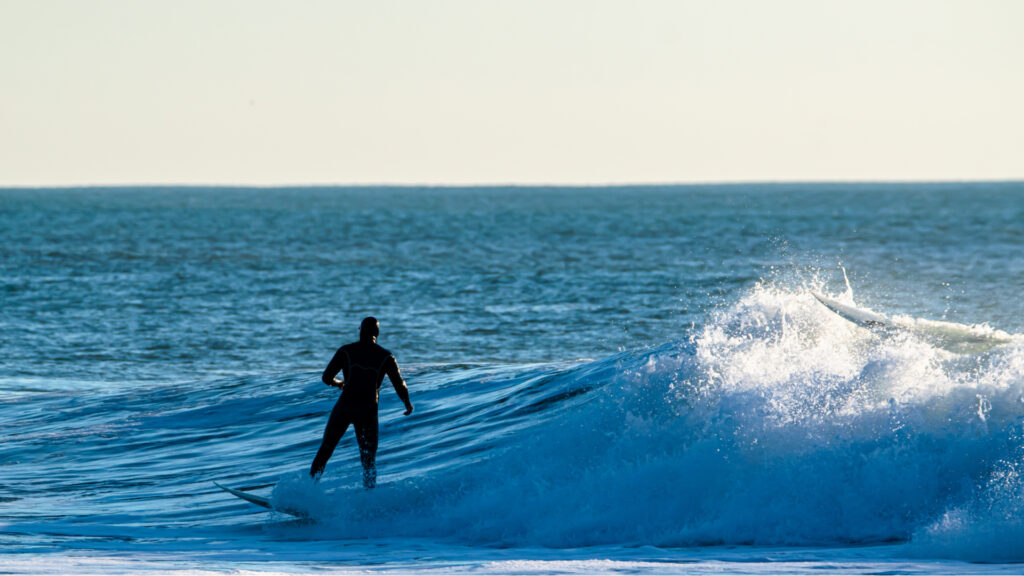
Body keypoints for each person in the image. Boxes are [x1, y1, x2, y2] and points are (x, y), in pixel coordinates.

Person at [310, 317, 413, 488]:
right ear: (377, 333)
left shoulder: (346, 351)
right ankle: (369, 497)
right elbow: (399, 383)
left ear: (360, 331)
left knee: (326, 450)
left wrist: (339, 383)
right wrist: (407, 402)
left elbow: (326, 377)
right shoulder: (386, 356)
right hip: (367, 410)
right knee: (368, 460)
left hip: (345, 406)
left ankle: (309, 491)